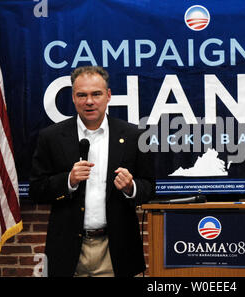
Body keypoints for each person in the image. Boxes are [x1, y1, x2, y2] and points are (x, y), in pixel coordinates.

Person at [29, 66, 155, 277]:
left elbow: (149, 188)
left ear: (108, 96)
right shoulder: (51, 137)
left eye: (96, 94)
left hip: (115, 248)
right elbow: (36, 189)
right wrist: (68, 180)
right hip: (67, 250)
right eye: (82, 95)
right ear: (73, 97)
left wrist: (131, 187)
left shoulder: (133, 135)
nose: (89, 101)